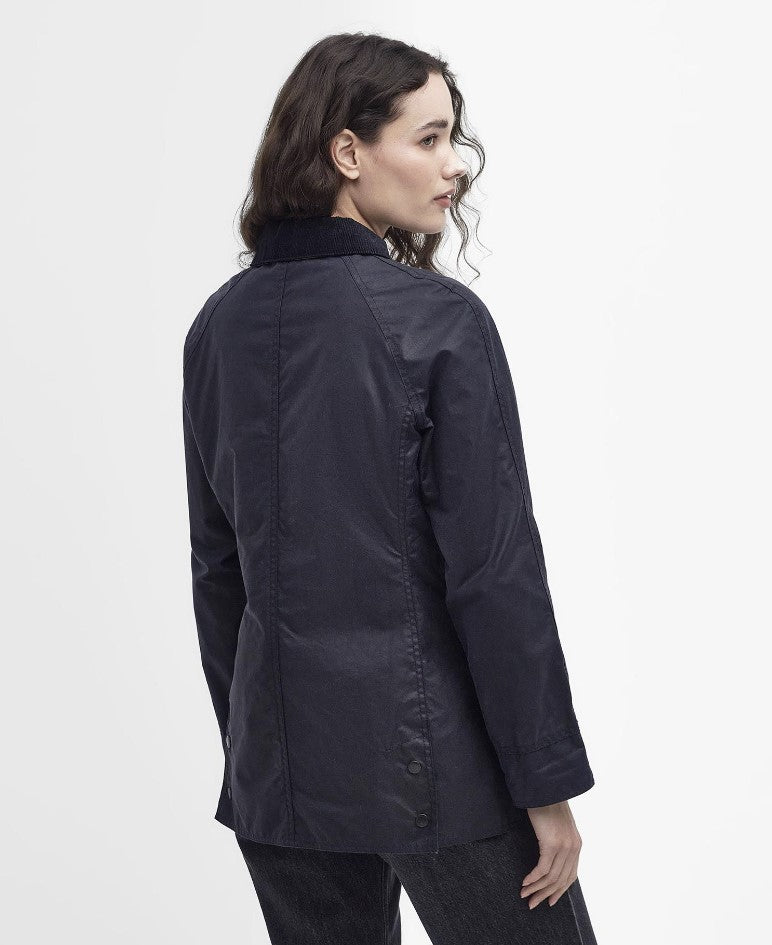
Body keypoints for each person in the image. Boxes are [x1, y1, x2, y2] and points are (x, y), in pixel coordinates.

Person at [182, 31, 598, 945]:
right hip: (440, 767)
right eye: (429, 137)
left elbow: (218, 571)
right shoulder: (437, 321)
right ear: (347, 151)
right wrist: (546, 784)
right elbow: (495, 572)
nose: (455, 165)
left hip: (279, 774)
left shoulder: (217, 326)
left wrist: (254, 746)